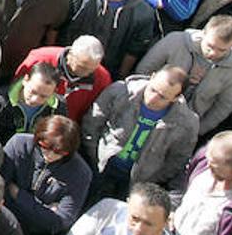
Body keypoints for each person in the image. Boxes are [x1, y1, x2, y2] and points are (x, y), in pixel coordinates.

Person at [81, 67, 199, 201]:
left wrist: (152, 178)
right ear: (152, 77)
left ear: (176, 98)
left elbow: (178, 159)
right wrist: (93, 154)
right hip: (101, 165)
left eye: (162, 97)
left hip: (137, 182)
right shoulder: (122, 92)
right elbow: (93, 121)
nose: (153, 98)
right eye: (153, 90)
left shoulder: (187, 123)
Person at [2, 115, 91, 235]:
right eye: (44, 146)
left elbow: (60, 221)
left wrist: (18, 194)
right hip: (4, 218)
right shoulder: (19, 144)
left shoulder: (80, 172)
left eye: (59, 152)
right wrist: (45, 208)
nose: (49, 155)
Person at [135, 16, 232, 136]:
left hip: (182, 129)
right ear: (203, 33)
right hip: (145, 110)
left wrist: (196, 130)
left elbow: (224, 106)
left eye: (222, 50)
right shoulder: (176, 41)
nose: (213, 53)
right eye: (210, 46)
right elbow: (144, 71)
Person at [64, 0, 158, 78]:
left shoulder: (143, 12)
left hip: (107, 71)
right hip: (70, 62)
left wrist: (120, 77)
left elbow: (134, 50)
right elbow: (57, 24)